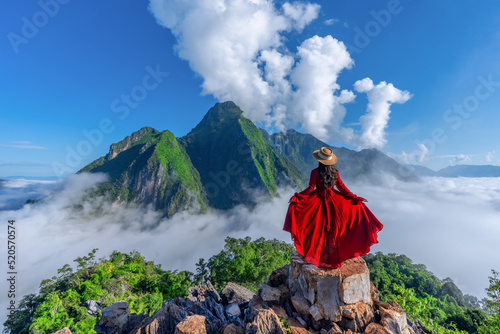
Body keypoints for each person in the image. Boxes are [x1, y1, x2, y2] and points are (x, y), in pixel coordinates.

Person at [283, 147, 383, 269]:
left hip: (318, 201)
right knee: (335, 229)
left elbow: (310, 188)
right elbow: (342, 187)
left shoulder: (315, 172)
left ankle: (318, 254)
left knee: (317, 228)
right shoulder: (335, 172)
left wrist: (298, 197)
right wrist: (355, 198)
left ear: (320, 160)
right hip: (335, 201)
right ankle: (334, 255)